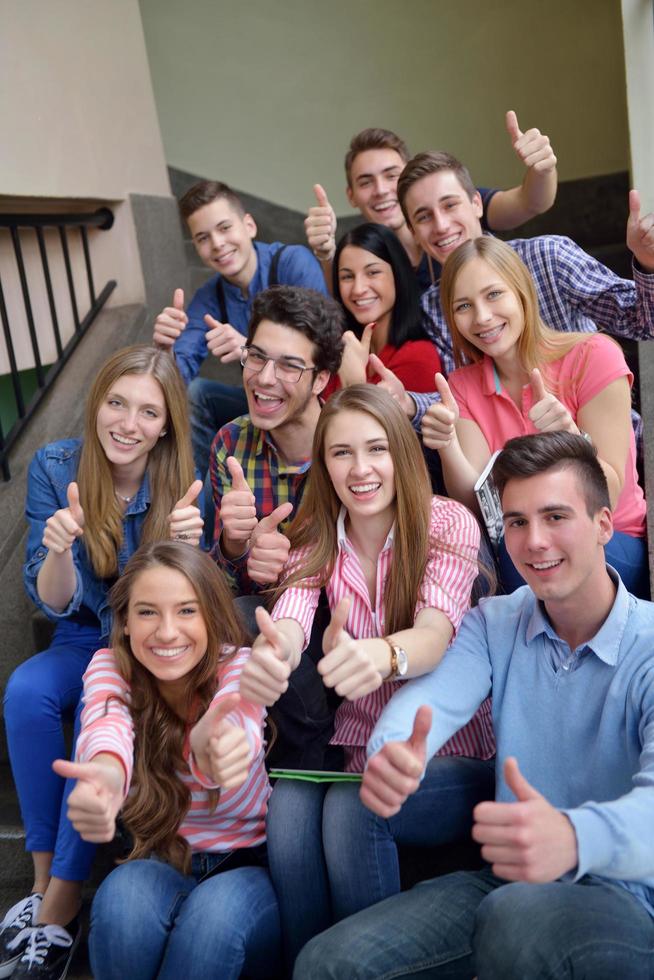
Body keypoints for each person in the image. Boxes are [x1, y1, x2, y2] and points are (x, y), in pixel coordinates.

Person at [296, 431, 654, 980]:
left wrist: (574, 836)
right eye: (516, 522)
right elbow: (434, 700)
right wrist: (395, 749)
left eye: (555, 516)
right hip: (509, 885)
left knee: (514, 919)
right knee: (323, 963)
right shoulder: (496, 621)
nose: (534, 541)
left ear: (605, 525)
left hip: (628, 901)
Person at [239, 385, 494, 968]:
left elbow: (435, 634)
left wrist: (383, 655)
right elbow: (293, 618)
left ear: (401, 452)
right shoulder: (318, 537)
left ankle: (366, 963)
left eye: (376, 449)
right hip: (356, 746)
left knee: (353, 808)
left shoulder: (446, 523)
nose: (360, 470)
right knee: (290, 809)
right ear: (323, 464)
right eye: (341, 453)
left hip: (445, 752)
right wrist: (279, 649)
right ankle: (309, 962)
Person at [0, 347, 203, 980]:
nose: (128, 422)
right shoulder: (55, 464)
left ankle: (60, 908)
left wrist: (193, 550)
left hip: (144, 648)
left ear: (167, 423)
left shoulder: (180, 481)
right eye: (117, 402)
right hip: (81, 633)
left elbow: (191, 603)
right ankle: (39, 883)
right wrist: (58, 549)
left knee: (99, 702)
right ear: (96, 404)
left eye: (149, 411)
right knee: (25, 690)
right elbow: (53, 599)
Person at [55, 541, 280, 980]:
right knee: (119, 906)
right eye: (147, 612)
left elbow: (240, 723)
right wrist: (104, 775)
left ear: (212, 616)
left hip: (245, 865)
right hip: (159, 859)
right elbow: (106, 729)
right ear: (122, 623)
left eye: (186, 611)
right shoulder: (109, 667)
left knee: (210, 928)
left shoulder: (237, 665)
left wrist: (216, 750)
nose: (166, 632)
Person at [421, 236, 648, 597]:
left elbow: (610, 490)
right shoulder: (461, 385)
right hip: (522, 544)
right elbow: (476, 505)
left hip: (610, 539)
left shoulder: (594, 355)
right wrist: (448, 445)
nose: (482, 317)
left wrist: (572, 439)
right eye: (463, 305)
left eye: (494, 294)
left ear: (522, 292)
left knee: (523, 553)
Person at [390, 149, 654, 388]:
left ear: (476, 204)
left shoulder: (549, 256)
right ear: (413, 231)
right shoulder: (433, 308)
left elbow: (645, 325)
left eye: (450, 205)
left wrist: (648, 264)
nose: (441, 225)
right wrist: (408, 404)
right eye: (424, 217)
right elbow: (459, 398)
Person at [152, 180, 328, 475]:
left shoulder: (292, 263)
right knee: (196, 394)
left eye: (224, 228)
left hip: (310, 400)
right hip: (260, 400)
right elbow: (177, 374)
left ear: (249, 225)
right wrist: (164, 351)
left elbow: (323, 348)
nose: (217, 244)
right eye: (203, 237)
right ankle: (195, 495)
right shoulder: (210, 296)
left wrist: (252, 350)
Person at [304, 115, 557, 291]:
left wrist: (543, 169)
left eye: (392, 175)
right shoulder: (365, 249)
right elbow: (345, 305)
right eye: (366, 182)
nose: (381, 190)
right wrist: (326, 255)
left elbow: (530, 202)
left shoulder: (454, 206)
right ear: (351, 196)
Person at [210, 285, 344, 595]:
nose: (265, 377)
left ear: (320, 380)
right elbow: (227, 589)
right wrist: (236, 546)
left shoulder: (351, 446)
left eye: (289, 366)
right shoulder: (230, 443)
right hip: (263, 613)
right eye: (257, 357)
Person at [328, 222, 441, 393]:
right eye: (347, 276)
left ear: (398, 274)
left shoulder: (418, 356)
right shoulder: (340, 349)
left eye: (372, 272)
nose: (358, 289)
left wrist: (354, 382)